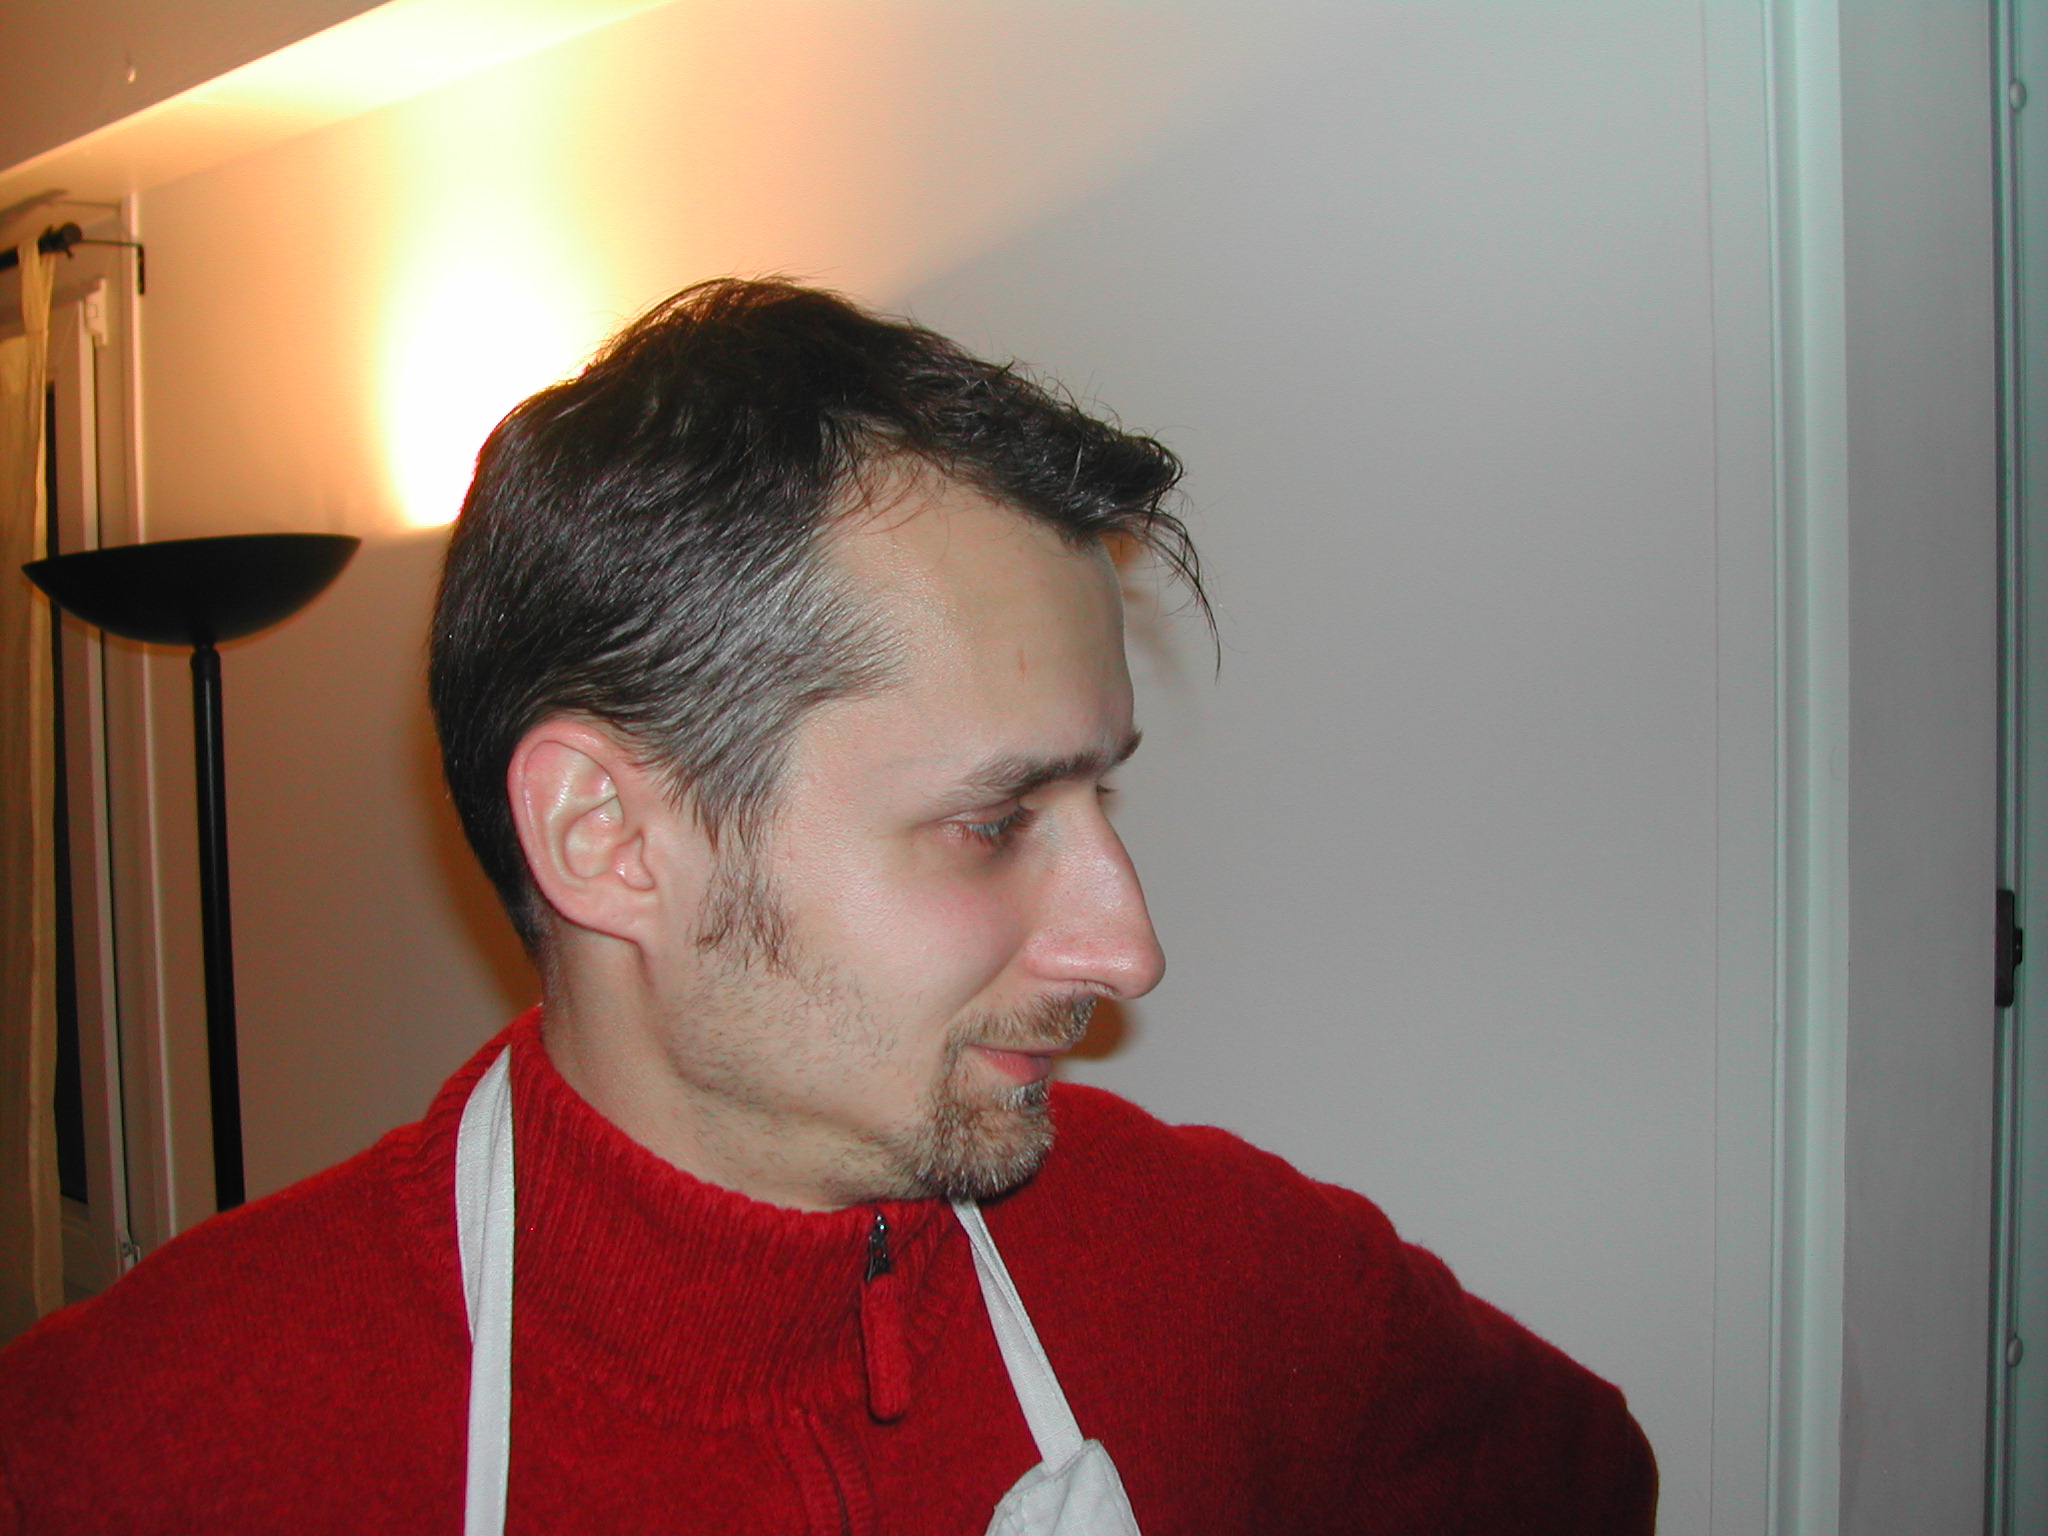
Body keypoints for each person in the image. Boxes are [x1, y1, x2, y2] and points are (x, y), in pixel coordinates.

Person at [0, 280, 1656, 1532]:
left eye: (1103, 797)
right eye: (994, 821)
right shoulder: (142, 1453)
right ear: (606, 837)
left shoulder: (1229, 1281)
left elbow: (1589, 1482)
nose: (1129, 949)